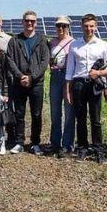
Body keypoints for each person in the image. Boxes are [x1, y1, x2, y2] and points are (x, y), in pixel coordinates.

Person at [66, 14, 107, 162]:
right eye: (86, 26)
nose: (89, 29)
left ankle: (98, 149)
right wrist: (68, 89)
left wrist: (99, 73)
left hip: (95, 83)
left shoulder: (102, 44)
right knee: (80, 118)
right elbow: (70, 69)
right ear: (82, 27)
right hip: (79, 84)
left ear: (96, 27)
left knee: (96, 119)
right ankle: (82, 148)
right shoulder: (75, 45)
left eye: (91, 26)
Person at [5, 11, 50, 155]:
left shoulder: (42, 40)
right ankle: (19, 142)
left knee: (36, 114)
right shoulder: (14, 40)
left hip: (36, 83)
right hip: (19, 83)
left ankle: (35, 143)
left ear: (36, 23)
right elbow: (10, 60)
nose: (29, 23)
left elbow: (44, 62)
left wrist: (31, 77)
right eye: (27, 20)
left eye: (32, 21)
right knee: (19, 113)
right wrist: (20, 76)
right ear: (22, 22)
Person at [48, 16, 74, 156]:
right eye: (58, 26)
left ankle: (68, 144)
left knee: (69, 112)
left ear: (68, 27)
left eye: (64, 26)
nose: (61, 28)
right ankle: (55, 143)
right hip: (55, 77)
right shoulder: (52, 42)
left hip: (69, 77)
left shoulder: (73, 43)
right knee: (55, 111)